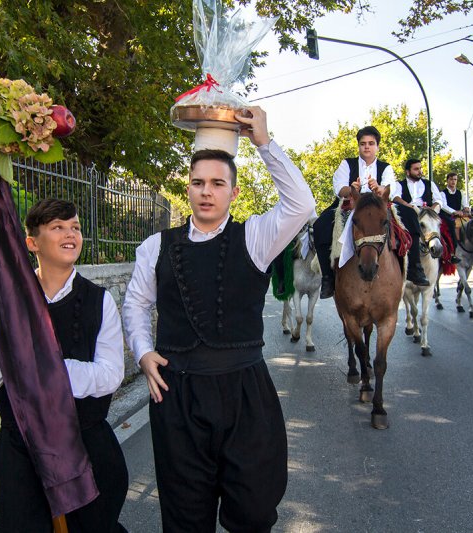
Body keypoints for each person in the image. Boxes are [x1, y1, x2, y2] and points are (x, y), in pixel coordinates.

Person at [122, 106, 316, 532]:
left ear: (234, 191)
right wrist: (143, 352)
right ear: (186, 188)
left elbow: (301, 205)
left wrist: (263, 142)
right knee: (184, 517)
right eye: (197, 183)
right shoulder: (155, 247)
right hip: (177, 398)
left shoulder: (256, 238)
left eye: (216, 183)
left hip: (245, 395)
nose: (205, 192)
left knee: (252, 511)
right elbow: (135, 303)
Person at [0, 199, 129, 532]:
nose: (70, 233)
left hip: (85, 444)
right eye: (57, 227)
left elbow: (110, 375)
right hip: (22, 452)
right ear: (32, 243)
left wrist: (45, 368)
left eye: (74, 227)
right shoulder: (9, 302)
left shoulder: (99, 301)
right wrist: (5, 322)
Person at [313, 125, 396, 299]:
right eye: (363, 143)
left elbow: (391, 188)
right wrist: (351, 189)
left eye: (371, 143)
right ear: (358, 146)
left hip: (376, 207)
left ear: (377, 147)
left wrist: (379, 188)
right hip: (350, 205)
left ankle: (412, 269)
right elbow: (339, 188)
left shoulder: (386, 167)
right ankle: (328, 277)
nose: (367, 146)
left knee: (410, 219)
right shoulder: (347, 163)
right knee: (321, 225)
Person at [391, 158, 443, 286]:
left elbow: (438, 200)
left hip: (428, 212)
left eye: (420, 168)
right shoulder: (399, 184)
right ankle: (409, 264)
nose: (420, 171)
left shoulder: (429, 184)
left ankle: (449, 254)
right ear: (408, 172)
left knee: (449, 224)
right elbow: (395, 197)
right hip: (409, 212)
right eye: (416, 169)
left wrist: (432, 209)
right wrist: (408, 206)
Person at [439, 172, 469, 264]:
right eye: (451, 179)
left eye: (455, 179)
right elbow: (444, 206)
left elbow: (465, 205)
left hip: (459, 214)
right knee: (451, 225)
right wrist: (455, 212)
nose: (453, 181)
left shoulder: (460, 193)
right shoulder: (442, 193)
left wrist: (466, 209)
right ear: (447, 181)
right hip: (447, 215)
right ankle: (452, 253)